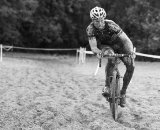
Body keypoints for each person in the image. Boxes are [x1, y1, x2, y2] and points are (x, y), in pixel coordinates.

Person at [86, 6, 135, 107]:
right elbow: (94, 47)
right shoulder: (90, 29)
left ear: (104, 18)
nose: (99, 24)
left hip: (119, 45)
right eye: (96, 21)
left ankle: (123, 93)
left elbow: (126, 40)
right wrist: (98, 52)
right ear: (92, 20)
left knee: (131, 66)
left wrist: (130, 51)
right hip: (105, 46)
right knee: (111, 57)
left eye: (101, 20)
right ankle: (107, 86)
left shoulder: (111, 25)